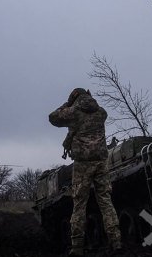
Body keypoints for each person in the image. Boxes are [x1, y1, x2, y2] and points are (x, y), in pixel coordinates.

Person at [49, 88, 122, 256]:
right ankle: (116, 240)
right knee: (105, 201)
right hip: (101, 162)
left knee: (79, 204)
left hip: (82, 164)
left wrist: (66, 105)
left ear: (74, 98)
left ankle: (77, 246)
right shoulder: (101, 112)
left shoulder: (73, 112)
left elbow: (53, 117)